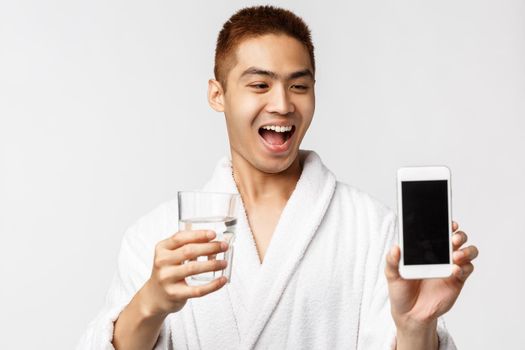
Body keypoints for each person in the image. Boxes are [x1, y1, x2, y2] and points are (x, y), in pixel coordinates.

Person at [77, 5, 479, 350]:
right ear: (218, 94)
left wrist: (416, 325)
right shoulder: (155, 236)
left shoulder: (371, 229)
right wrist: (151, 300)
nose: (283, 104)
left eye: (299, 86)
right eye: (260, 84)